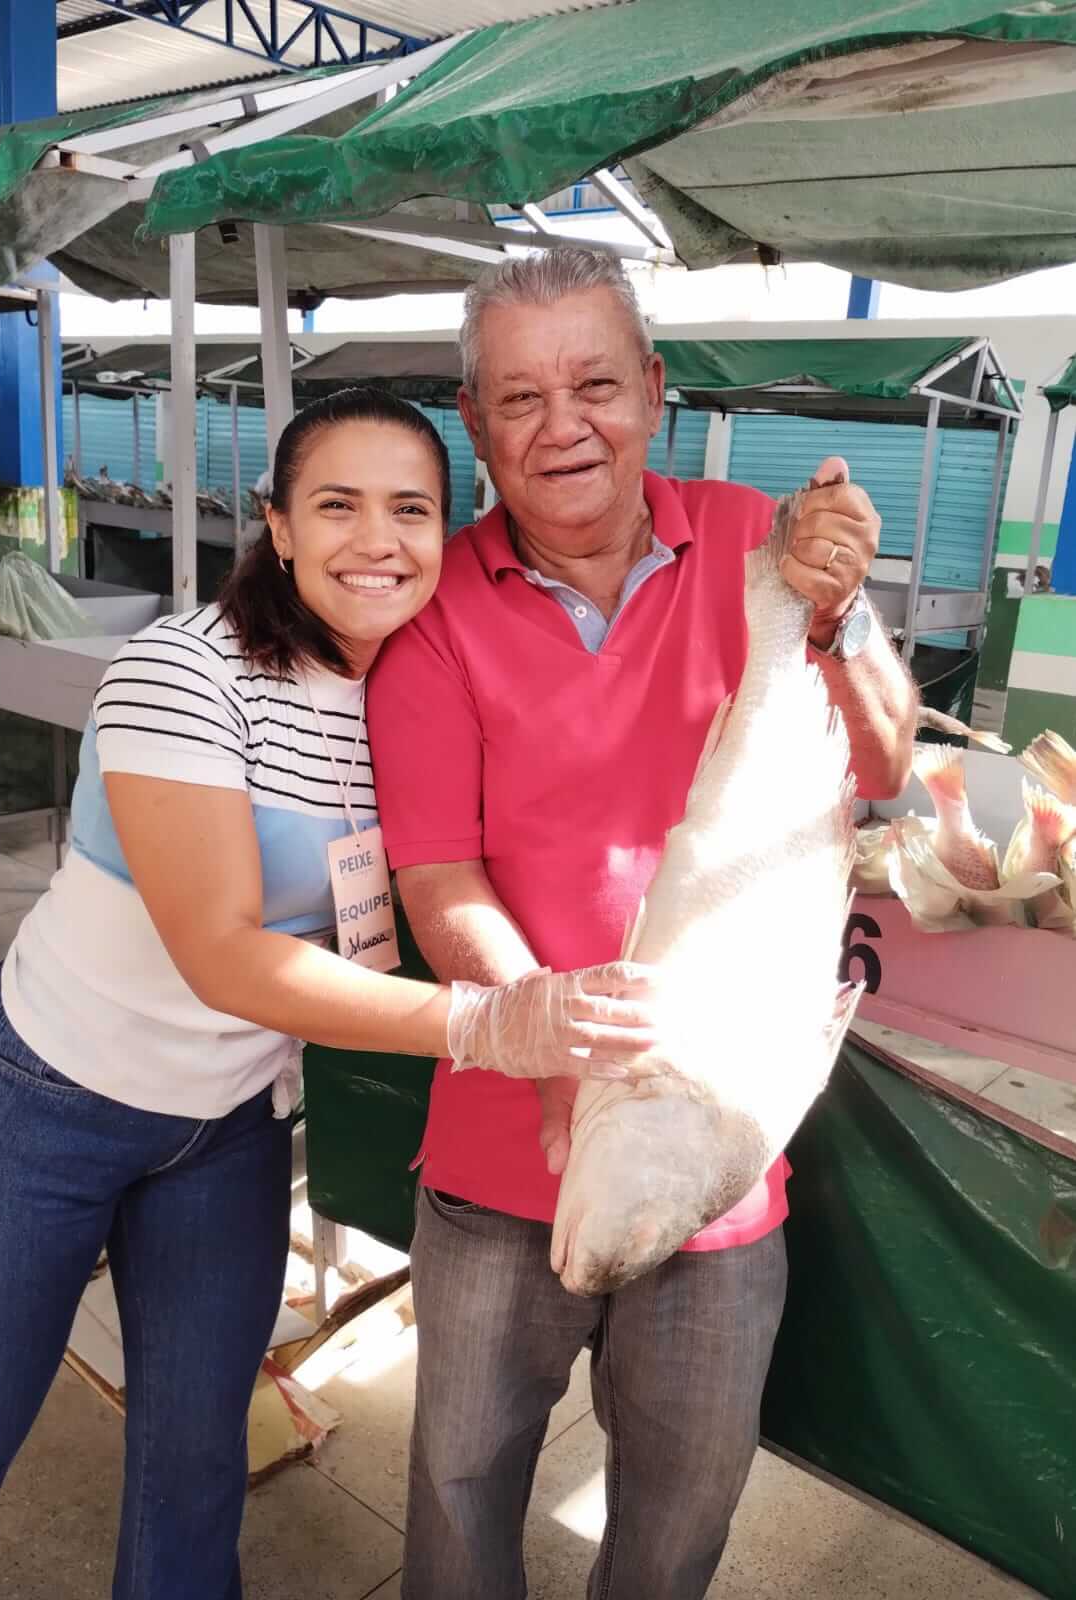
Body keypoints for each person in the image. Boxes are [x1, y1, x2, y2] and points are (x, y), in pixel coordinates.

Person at [0, 387, 660, 1600]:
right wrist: (492, 1023)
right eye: (335, 505)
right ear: (278, 526)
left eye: (410, 510)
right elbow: (226, 956)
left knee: (195, 1467)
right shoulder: (180, 673)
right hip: (43, 1104)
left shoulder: (424, 690)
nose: (376, 540)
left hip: (229, 1129)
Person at [366, 252, 919, 1600]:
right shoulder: (430, 612)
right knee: (458, 1497)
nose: (565, 426)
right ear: (475, 421)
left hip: (720, 1161)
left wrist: (836, 613)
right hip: (499, 1165)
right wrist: (551, 1035)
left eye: (598, 384)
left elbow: (889, 763)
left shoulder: (753, 540)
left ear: (656, 393)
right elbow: (441, 879)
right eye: (521, 398)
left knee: (676, 1526)